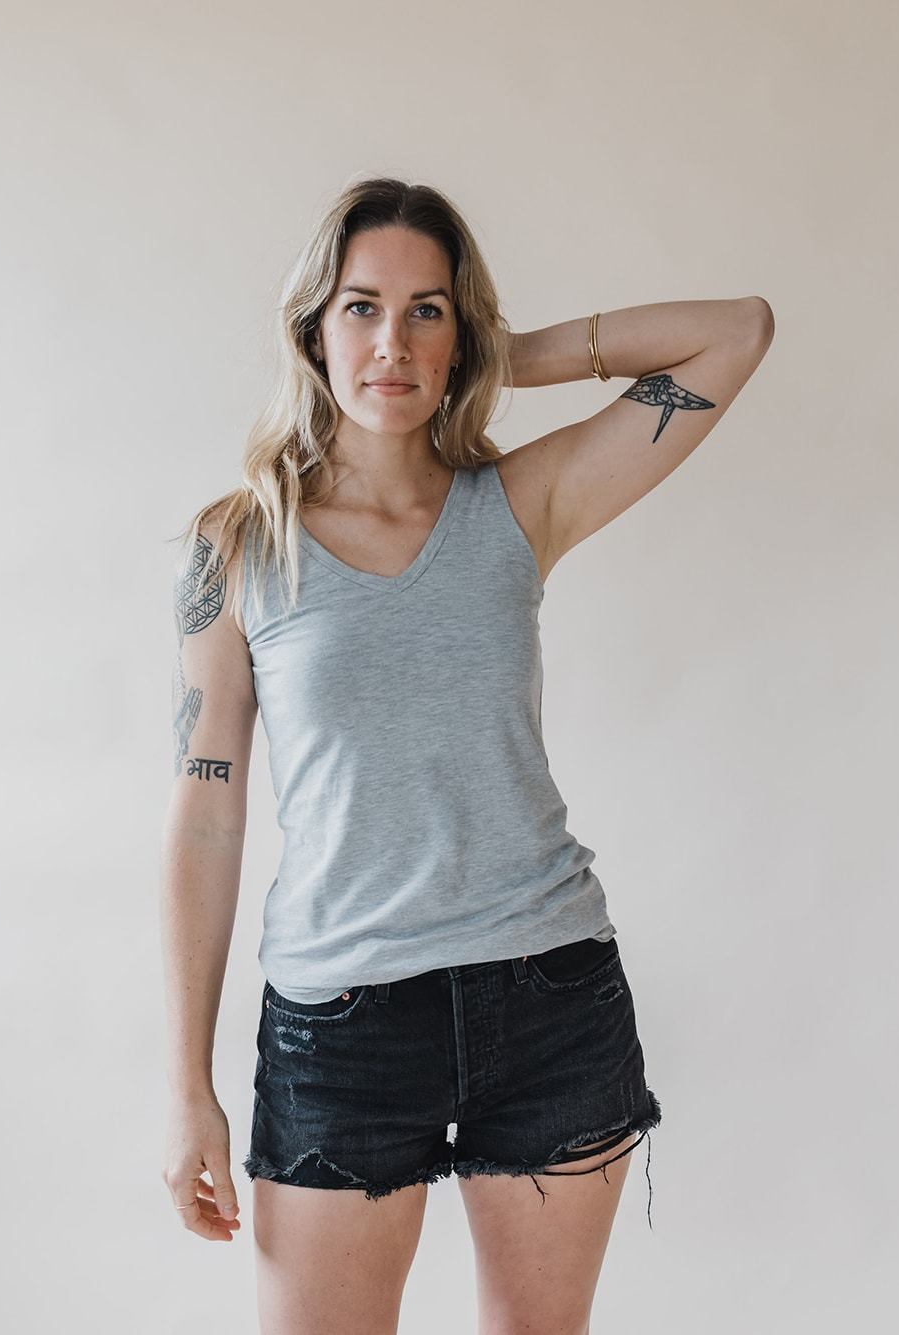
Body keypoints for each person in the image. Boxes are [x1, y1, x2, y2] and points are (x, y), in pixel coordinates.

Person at [160, 175, 774, 1333]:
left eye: (426, 312)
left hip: (546, 995)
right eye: (361, 307)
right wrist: (187, 1085)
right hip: (339, 1024)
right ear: (312, 328)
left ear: (461, 331)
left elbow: (735, 331)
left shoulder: (520, 503)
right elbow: (204, 817)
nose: (391, 342)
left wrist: (512, 356)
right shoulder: (236, 547)